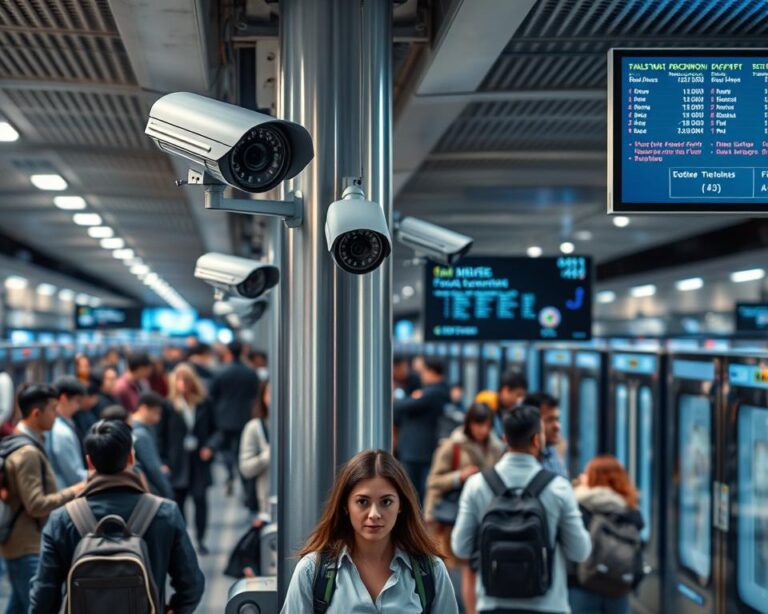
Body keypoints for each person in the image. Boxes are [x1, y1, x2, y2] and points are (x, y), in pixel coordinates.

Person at [29, 419, 205, 613]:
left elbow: (43, 593)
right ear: (131, 458)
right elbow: (192, 584)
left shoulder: (63, 519)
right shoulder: (164, 513)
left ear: (89, 462)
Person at [451, 405, 591, 614]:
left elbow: (460, 547)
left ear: (505, 439)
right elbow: (580, 552)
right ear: (537, 440)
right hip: (548, 605)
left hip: (493, 605)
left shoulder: (477, 484)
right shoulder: (559, 488)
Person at [281, 449, 459, 613]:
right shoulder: (312, 572)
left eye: (386, 502)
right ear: (345, 505)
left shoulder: (431, 572)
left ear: (401, 505)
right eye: (362, 502)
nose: (374, 514)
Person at [1, 384, 85, 614]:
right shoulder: (27, 453)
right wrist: (75, 490)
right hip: (26, 544)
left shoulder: (22, 442)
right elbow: (36, 505)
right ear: (36, 413)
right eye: (52, 409)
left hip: (20, 542)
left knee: (19, 606)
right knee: (38, 607)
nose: (56, 415)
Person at [425, 402, 504, 614]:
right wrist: (459, 477)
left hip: (486, 515)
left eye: (487, 425)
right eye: (479, 425)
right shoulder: (453, 445)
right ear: (470, 424)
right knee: (458, 568)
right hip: (454, 518)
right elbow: (434, 481)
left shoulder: (496, 448)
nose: (483, 430)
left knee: (474, 567)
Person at [569, 455, 644, 614]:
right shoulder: (630, 510)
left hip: (581, 585)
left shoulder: (578, 503)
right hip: (618, 586)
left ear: (593, 477)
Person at [160, 363, 220, 554]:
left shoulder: (204, 402)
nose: (182, 384)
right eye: (178, 380)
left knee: (201, 499)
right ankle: (182, 542)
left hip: (199, 460)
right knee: (179, 502)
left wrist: (210, 446)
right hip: (178, 461)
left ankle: (201, 539)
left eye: (186, 380)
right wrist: (163, 461)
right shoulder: (168, 405)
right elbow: (161, 435)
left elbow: (217, 430)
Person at [394, 357, 451, 503]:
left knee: (414, 494)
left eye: (424, 372)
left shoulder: (435, 392)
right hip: (417, 451)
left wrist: (404, 399)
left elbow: (401, 406)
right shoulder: (432, 390)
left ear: (432, 372)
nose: (422, 376)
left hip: (419, 453)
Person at [209, 340, 261, 495]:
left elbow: (213, 395)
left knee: (224, 449)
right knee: (242, 451)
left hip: (224, 418)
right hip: (245, 418)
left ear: (228, 353)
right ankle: (246, 489)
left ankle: (230, 474)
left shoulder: (221, 372)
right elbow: (256, 394)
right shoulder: (250, 373)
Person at [46, 377, 88, 489]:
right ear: (64, 398)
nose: (78, 406)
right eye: (77, 401)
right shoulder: (61, 432)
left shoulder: (63, 425)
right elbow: (74, 476)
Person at [130, 391, 174, 499]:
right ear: (144, 408)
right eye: (156, 412)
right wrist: (168, 492)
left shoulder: (139, 428)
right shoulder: (141, 434)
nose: (158, 417)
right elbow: (153, 468)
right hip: (149, 490)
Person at [239, 381, 271, 521]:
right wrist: (267, 456)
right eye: (270, 393)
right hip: (262, 504)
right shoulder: (254, 428)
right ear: (263, 397)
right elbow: (246, 468)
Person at [524, 392, 569, 478]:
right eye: (549, 420)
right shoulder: (526, 458)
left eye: (557, 419)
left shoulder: (551, 451)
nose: (557, 426)